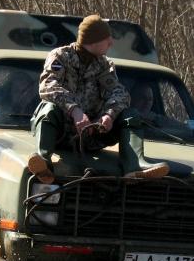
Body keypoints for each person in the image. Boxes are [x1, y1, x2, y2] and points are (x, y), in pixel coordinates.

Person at [28, 14, 169, 183]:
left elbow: (119, 93)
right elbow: (47, 85)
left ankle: (134, 167)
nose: (111, 43)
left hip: (94, 134)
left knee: (129, 115)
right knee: (47, 108)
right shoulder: (60, 57)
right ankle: (44, 163)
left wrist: (109, 114)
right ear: (93, 41)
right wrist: (75, 110)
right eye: (107, 39)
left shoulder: (104, 65)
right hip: (62, 133)